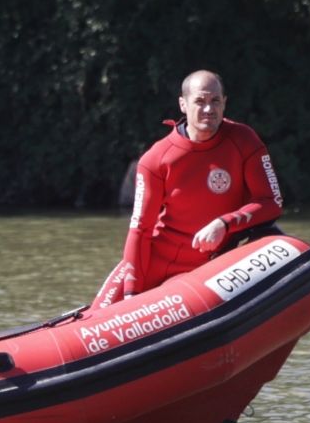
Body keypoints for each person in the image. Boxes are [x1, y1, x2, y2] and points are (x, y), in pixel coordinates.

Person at [91, 70, 284, 309]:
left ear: (224, 103)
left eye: (215, 101)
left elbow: (271, 202)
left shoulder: (244, 141)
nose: (208, 109)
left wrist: (224, 224)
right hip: (149, 262)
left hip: (199, 271)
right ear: (183, 104)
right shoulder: (156, 159)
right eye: (200, 101)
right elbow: (140, 230)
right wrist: (131, 294)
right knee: (92, 322)